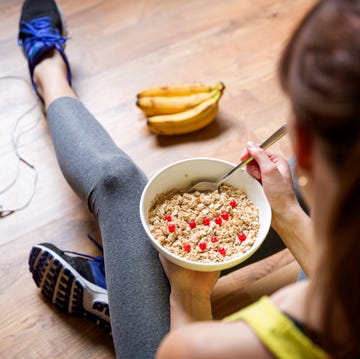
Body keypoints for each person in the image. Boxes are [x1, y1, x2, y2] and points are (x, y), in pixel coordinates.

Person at [18, 0, 359, 358]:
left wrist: (189, 292)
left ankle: (48, 70)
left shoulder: (214, 348)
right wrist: (287, 209)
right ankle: (127, 289)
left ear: (302, 142)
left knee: (117, 182)